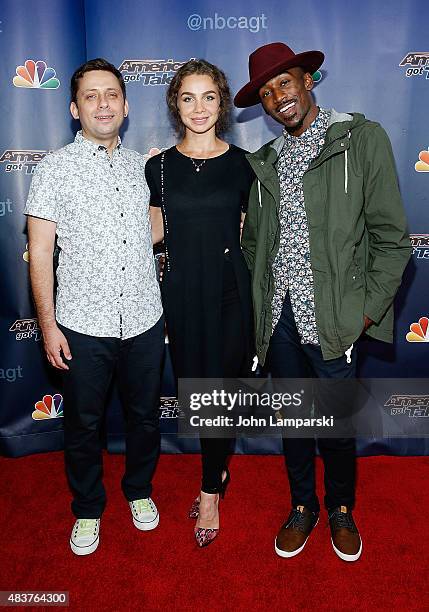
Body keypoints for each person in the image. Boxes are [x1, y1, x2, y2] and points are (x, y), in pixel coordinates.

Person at [235, 42, 411, 561]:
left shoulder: (361, 140)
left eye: (283, 83)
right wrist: (265, 300)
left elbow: (391, 239)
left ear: (308, 80)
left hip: (337, 319)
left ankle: (339, 509)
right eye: (266, 93)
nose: (277, 98)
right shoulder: (265, 161)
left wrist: (365, 311)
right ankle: (302, 506)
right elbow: (253, 244)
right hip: (282, 320)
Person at [25, 58, 164, 556]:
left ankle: (139, 491)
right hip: (82, 323)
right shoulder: (53, 169)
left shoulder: (146, 168)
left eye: (111, 95)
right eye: (91, 96)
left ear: (126, 107)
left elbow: (154, 233)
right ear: (74, 107)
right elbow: (40, 252)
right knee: (83, 423)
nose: (102, 103)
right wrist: (48, 326)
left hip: (145, 319)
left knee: (145, 417)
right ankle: (87, 508)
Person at [146, 59, 254, 547]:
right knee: (196, 390)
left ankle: (210, 490)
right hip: (183, 292)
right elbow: (152, 235)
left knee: (220, 395)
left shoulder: (243, 165)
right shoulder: (158, 167)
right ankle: (217, 473)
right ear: (176, 105)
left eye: (208, 96)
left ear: (222, 102)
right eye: (187, 98)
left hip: (232, 293)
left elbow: (254, 235)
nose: (198, 108)